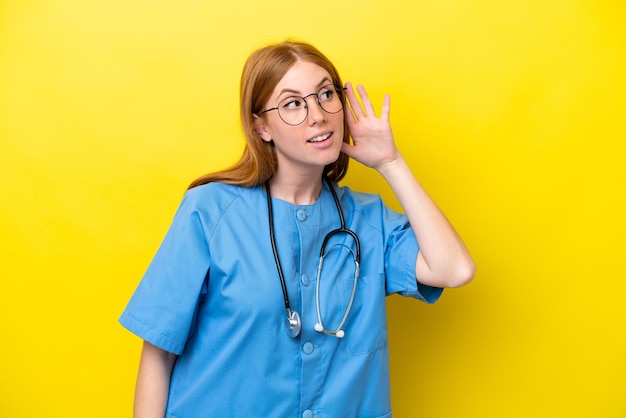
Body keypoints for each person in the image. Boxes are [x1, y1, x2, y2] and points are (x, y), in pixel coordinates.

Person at [119, 40, 475, 418]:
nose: (318, 115)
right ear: (261, 127)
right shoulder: (210, 211)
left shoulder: (369, 221)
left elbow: (455, 270)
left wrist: (391, 162)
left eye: (325, 95)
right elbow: (158, 352)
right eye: (293, 104)